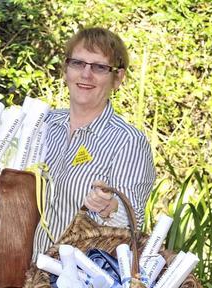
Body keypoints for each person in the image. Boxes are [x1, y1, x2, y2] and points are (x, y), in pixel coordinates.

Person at [31, 27, 156, 259]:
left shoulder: (128, 141)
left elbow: (133, 221)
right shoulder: (42, 124)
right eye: (78, 63)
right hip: (25, 278)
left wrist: (111, 208)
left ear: (117, 78)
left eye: (99, 67)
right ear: (66, 70)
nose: (86, 74)